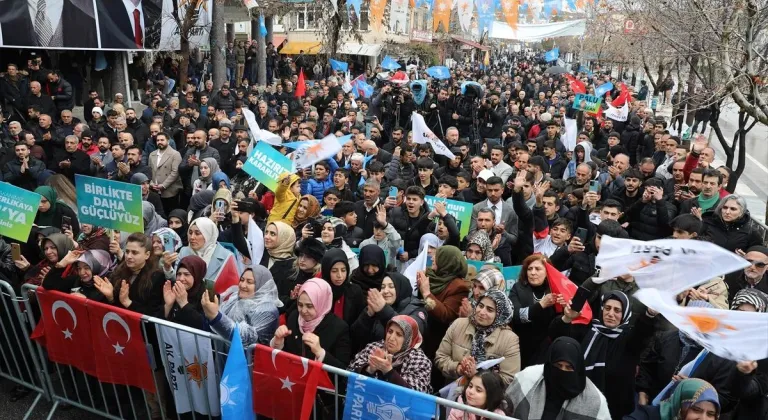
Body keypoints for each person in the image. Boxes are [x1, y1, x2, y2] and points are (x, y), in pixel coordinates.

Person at [550, 290, 657, 419]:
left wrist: (649, 314)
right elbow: (559, 338)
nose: (611, 314)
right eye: (607, 308)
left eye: (617, 310)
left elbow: (642, 332)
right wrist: (567, 318)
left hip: (613, 411)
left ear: (625, 314)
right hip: (579, 406)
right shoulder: (589, 330)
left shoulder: (629, 338)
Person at [505, 337, 611, 420]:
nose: (562, 371)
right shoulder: (528, 378)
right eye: (558, 366)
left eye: (569, 367)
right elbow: (504, 408)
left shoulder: (594, 400)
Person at [436, 289, 521, 385]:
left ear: (500, 316)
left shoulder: (509, 339)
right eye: (480, 306)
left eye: (490, 310)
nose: (482, 312)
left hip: (489, 398)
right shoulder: (458, 324)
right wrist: (459, 368)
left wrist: (477, 375)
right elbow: (440, 357)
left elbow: (508, 379)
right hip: (454, 391)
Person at [270, 278, 350, 369]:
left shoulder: (339, 328)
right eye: (300, 305)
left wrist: (320, 353)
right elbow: (286, 356)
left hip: (318, 382)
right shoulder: (294, 316)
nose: (303, 311)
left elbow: (343, 371)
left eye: (310, 306)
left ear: (322, 303)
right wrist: (278, 342)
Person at [348, 315, 432, 393]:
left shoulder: (420, 360)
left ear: (409, 339)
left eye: (399, 335)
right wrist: (370, 369)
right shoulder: (374, 347)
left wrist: (389, 371)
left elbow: (416, 394)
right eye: (390, 331)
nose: (391, 338)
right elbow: (348, 375)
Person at [416, 245, 470, 364]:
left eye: (438, 256)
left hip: (437, 339)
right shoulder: (431, 275)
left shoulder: (459, 286)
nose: (434, 258)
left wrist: (426, 293)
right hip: (422, 330)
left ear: (447, 262)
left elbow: (446, 314)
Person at [202, 266, 282, 346]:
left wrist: (216, 317)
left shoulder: (267, 310)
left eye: (249, 282)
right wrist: (210, 312)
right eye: (242, 280)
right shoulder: (235, 297)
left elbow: (248, 339)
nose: (243, 285)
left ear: (262, 286)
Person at [350, 272, 427, 350]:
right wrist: (368, 314)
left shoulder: (417, 308)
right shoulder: (378, 307)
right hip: (374, 355)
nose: (385, 291)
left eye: (391, 286)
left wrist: (383, 309)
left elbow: (410, 332)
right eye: (383, 287)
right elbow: (355, 336)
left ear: (401, 288)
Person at [509, 254, 559, 368]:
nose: (532, 273)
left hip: (546, 347)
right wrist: (541, 305)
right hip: (522, 345)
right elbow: (516, 316)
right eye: (529, 269)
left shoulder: (554, 290)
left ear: (547, 272)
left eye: (538, 269)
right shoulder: (517, 288)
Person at [167, 218, 237, 289]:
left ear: (208, 235)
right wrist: (168, 268)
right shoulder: (184, 251)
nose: (192, 237)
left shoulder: (227, 256)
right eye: (190, 233)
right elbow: (177, 280)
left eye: (197, 233)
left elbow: (233, 288)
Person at [625, 378, 721, 420]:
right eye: (696, 410)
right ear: (680, 404)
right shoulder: (646, 415)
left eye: (710, 414)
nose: (703, 419)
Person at [320, 248, 365, 328]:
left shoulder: (354, 291)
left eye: (343, 270)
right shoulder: (318, 291)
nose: (339, 275)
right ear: (326, 271)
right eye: (334, 271)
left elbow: (359, 323)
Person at [162, 255, 206, 329]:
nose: (181, 278)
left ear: (197, 275)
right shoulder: (173, 288)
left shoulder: (207, 296)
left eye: (186, 274)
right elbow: (158, 321)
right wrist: (168, 306)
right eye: (179, 274)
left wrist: (184, 304)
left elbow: (204, 325)